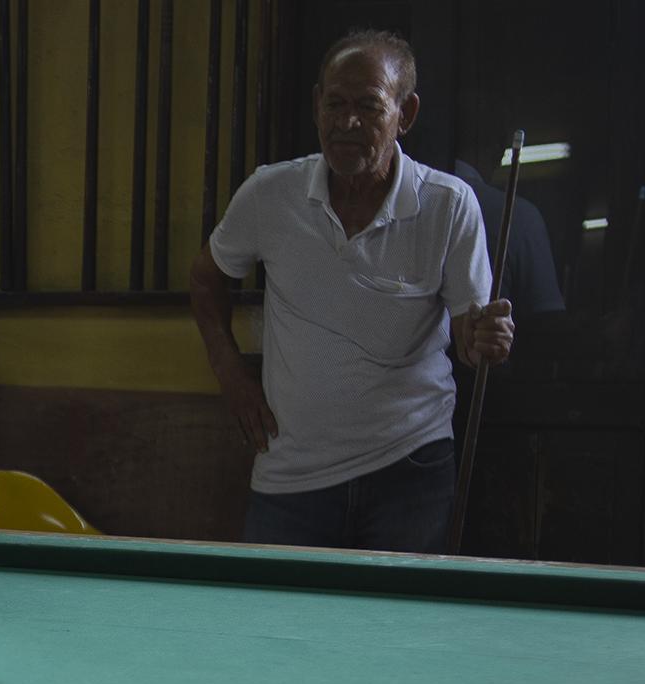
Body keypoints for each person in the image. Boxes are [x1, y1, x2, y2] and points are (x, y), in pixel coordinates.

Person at [188, 29, 516, 553]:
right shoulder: (270, 195)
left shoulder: (448, 205)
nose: (347, 122)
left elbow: (468, 341)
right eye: (335, 104)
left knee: (396, 631)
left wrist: (484, 339)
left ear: (405, 114)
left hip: (410, 468)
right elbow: (206, 280)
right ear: (317, 105)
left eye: (368, 105)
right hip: (291, 470)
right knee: (274, 627)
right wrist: (230, 374)